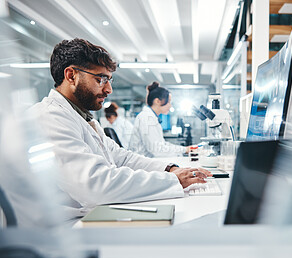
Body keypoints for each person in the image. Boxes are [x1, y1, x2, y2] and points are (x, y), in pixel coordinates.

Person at [29, 38, 210, 221]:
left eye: (109, 80)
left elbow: (122, 158)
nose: (108, 89)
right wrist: (173, 180)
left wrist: (170, 169)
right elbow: (95, 186)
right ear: (71, 76)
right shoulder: (49, 117)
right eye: (101, 79)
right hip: (63, 230)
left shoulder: (82, 117)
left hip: (89, 217)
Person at [130, 82, 189, 157]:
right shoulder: (147, 118)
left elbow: (162, 145)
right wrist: (184, 150)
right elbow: (157, 150)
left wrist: (185, 149)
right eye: (168, 102)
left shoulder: (151, 117)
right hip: (143, 164)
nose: (170, 106)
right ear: (157, 101)